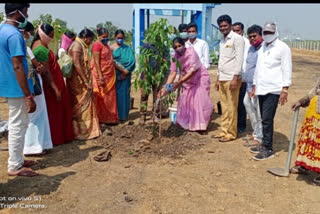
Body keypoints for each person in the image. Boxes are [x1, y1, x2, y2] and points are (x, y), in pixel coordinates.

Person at [0, 3, 39, 176]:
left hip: (8, 84)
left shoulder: (2, 29)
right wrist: (28, 95)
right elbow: (17, 66)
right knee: (17, 125)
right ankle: (15, 165)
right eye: (25, 11)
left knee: (20, 123)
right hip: (17, 87)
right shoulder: (14, 35)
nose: (27, 14)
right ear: (17, 13)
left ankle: (18, 159)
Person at [249, 22, 292, 160]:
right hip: (261, 88)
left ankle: (268, 148)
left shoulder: (282, 48)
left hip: (273, 89)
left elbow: (287, 68)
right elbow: (258, 68)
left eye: (270, 32)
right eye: (265, 32)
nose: (267, 35)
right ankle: (263, 143)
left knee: (267, 119)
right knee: (262, 118)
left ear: (275, 32)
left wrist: (285, 89)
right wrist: (255, 86)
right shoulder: (262, 48)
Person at [32, 22, 74, 146]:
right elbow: (46, 72)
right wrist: (55, 89)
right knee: (54, 112)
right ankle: (55, 138)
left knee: (57, 111)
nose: (51, 38)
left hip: (55, 82)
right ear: (43, 34)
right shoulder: (40, 49)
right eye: (50, 35)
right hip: (51, 86)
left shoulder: (42, 46)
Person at [159, 37, 213, 131]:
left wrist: (179, 82)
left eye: (179, 46)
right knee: (188, 102)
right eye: (175, 47)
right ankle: (190, 125)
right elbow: (173, 73)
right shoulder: (175, 57)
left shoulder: (191, 53)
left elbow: (192, 71)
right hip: (187, 81)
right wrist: (166, 87)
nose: (178, 48)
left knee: (199, 102)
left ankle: (201, 127)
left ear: (184, 45)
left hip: (199, 78)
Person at [212, 14, 244, 142]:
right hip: (223, 77)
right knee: (224, 107)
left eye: (225, 25)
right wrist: (218, 78)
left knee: (231, 107)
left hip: (232, 78)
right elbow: (222, 61)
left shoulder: (237, 39)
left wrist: (235, 78)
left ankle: (231, 133)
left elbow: (239, 59)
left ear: (230, 25)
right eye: (221, 26)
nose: (223, 28)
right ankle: (224, 130)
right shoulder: (223, 40)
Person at [22, 21, 53, 156]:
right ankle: (33, 146)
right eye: (30, 33)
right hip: (32, 84)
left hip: (29, 84)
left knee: (34, 116)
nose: (30, 35)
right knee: (36, 116)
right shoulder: (25, 48)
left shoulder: (27, 48)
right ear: (25, 32)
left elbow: (36, 65)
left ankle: (36, 145)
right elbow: (38, 66)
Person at [67, 29, 101, 140]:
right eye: (90, 40)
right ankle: (81, 131)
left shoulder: (80, 46)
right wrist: (86, 81)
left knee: (85, 104)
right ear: (85, 38)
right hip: (78, 82)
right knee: (80, 105)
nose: (91, 42)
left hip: (81, 80)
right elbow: (77, 64)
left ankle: (87, 129)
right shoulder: (77, 46)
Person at [290, 78, 320, 186]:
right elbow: (316, 89)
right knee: (309, 139)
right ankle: (305, 166)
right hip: (314, 111)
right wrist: (303, 101)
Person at [241, 25, 264, 147]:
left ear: (261, 35)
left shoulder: (263, 50)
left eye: (254, 36)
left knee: (258, 112)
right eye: (250, 37)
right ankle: (256, 132)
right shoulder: (250, 49)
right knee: (249, 108)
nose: (252, 39)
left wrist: (255, 86)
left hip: (258, 87)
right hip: (248, 86)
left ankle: (260, 137)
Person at [91, 27, 118, 124]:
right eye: (104, 37)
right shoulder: (96, 45)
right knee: (102, 98)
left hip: (110, 74)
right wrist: (101, 76)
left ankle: (111, 118)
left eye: (107, 37)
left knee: (110, 97)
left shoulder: (106, 45)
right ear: (98, 36)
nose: (106, 38)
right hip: (101, 74)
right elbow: (97, 62)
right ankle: (102, 118)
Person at [138, 42, 168, 125]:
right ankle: (143, 115)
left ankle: (154, 114)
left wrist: (160, 60)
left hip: (157, 75)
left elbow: (165, 60)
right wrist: (144, 74)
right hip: (146, 74)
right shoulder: (147, 46)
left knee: (156, 96)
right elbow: (144, 60)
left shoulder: (163, 47)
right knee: (144, 95)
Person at [110, 29, 136, 122]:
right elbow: (110, 62)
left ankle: (124, 115)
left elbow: (132, 61)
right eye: (118, 38)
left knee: (124, 95)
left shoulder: (127, 48)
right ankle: (115, 115)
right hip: (115, 75)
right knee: (115, 95)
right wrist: (121, 70)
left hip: (126, 76)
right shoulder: (111, 48)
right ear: (115, 38)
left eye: (121, 38)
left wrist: (126, 71)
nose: (120, 40)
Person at [232, 22, 251, 133]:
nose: (235, 33)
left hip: (243, 77)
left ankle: (241, 125)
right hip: (233, 76)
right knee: (232, 102)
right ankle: (233, 123)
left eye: (237, 30)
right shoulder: (230, 41)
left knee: (242, 103)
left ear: (242, 31)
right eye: (233, 31)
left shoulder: (247, 43)